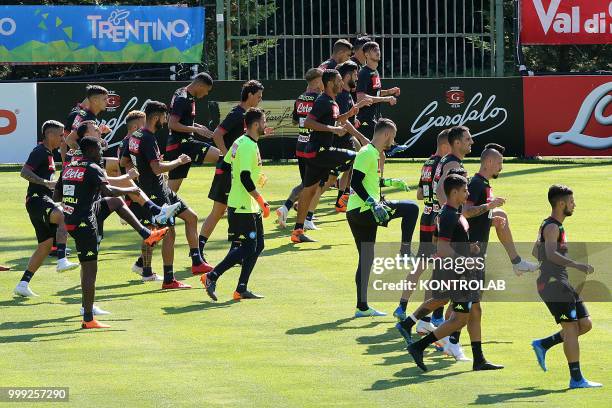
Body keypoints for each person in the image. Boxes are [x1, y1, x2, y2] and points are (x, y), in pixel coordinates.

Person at [55, 137, 168, 328]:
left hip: (72, 216)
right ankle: (88, 318)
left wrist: (80, 196)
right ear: (91, 150)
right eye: (99, 149)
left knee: (115, 203)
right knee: (90, 269)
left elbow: (57, 196)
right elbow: (107, 191)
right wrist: (130, 189)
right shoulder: (92, 167)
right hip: (84, 222)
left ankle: (145, 234)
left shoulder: (69, 166)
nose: (101, 153)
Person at [406, 174, 500, 371]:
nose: (467, 193)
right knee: (459, 319)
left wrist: (469, 247)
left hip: (462, 272)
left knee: (475, 311)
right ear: (454, 192)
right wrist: (465, 259)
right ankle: (418, 346)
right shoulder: (449, 216)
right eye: (465, 190)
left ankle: (479, 359)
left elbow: (438, 241)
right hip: (460, 274)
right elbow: (442, 248)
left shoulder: (453, 214)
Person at [129, 101, 208, 285]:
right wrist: (178, 161)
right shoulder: (147, 137)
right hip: (156, 192)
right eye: (164, 117)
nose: (165, 121)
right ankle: (169, 279)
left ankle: (197, 262)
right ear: (156, 117)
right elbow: (156, 168)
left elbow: (125, 160)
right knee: (168, 234)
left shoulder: (136, 135)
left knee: (191, 217)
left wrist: (139, 174)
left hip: (162, 189)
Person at [531, 185, 601, 388]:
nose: (574, 205)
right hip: (554, 285)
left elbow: (537, 252)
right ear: (561, 204)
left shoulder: (550, 225)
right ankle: (576, 379)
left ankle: (543, 344)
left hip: (561, 282)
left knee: (585, 324)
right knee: (570, 329)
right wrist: (576, 264)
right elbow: (550, 254)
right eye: (571, 202)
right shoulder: (552, 227)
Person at [346, 118, 418, 317]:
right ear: (386, 134)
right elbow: (356, 182)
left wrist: (389, 181)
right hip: (365, 211)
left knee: (366, 258)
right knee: (411, 208)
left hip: (357, 212)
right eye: (392, 137)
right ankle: (405, 252)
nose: (393, 141)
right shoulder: (367, 153)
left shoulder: (372, 154)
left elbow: (369, 180)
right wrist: (372, 202)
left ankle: (362, 308)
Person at [202, 108, 269, 301]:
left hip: (246, 204)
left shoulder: (240, 142)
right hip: (242, 206)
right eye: (264, 122)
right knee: (249, 247)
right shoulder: (247, 145)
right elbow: (244, 177)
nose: (265, 126)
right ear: (256, 125)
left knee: (258, 245)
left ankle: (241, 288)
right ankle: (211, 276)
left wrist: (258, 177)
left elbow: (228, 164)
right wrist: (261, 200)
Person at [198, 80, 265, 263]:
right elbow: (217, 134)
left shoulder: (246, 116)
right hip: (227, 171)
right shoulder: (237, 114)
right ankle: (197, 252)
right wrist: (228, 157)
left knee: (236, 208)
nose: (259, 100)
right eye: (258, 96)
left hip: (232, 171)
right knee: (219, 210)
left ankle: (235, 252)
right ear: (250, 95)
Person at [290, 69, 358, 243]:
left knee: (309, 190)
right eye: (339, 80)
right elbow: (309, 122)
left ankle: (297, 231)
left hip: (315, 153)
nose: (342, 83)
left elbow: (330, 120)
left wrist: (347, 116)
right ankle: (347, 195)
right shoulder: (323, 101)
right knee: (357, 157)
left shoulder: (331, 102)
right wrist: (333, 129)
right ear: (329, 83)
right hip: (320, 151)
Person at [14, 120, 79, 298]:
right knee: (64, 215)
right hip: (37, 200)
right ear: (49, 135)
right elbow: (24, 172)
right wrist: (46, 183)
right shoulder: (40, 152)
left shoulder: (49, 153)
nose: (63, 139)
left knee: (45, 245)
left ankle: (23, 283)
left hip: (40, 202)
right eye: (60, 135)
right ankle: (62, 260)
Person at [393, 129, 450, 326]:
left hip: (426, 217)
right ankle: (432, 315)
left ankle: (402, 306)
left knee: (420, 265)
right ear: (445, 146)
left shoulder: (426, 163)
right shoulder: (444, 164)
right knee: (439, 269)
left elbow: (419, 194)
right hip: (438, 219)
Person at [276, 68, 324, 229]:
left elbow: (295, 121)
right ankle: (292, 210)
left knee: (308, 183)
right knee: (312, 184)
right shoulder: (319, 99)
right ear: (317, 82)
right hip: (312, 146)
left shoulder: (300, 99)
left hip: (300, 145)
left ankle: (291, 209)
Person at [166, 72, 220, 192]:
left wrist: (197, 126)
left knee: (170, 192)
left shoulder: (182, 92)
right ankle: (221, 195)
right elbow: (172, 124)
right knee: (222, 157)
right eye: (207, 90)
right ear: (200, 86)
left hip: (178, 146)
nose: (206, 94)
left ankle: (157, 208)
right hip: (182, 145)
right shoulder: (183, 99)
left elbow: (181, 120)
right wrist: (196, 129)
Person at [355, 41, 399, 141]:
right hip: (365, 119)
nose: (378, 52)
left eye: (378, 49)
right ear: (366, 54)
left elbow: (374, 92)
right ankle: (391, 147)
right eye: (374, 50)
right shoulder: (364, 73)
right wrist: (386, 99)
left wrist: (388, 91)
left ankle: (391, 147)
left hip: (375, 115)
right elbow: (361, 97)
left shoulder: (375, 72)